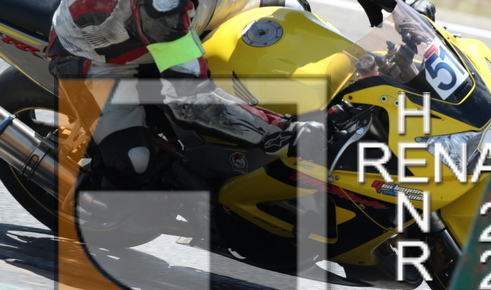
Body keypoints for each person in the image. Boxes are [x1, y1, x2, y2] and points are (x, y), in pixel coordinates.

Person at [46, 0, 435, 190]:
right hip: (102, 60)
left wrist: (398, 6)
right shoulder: (161, 8)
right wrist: (285, 132)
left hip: (207, 14)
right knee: (135, 164)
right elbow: (190, 101)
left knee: (299, 28)